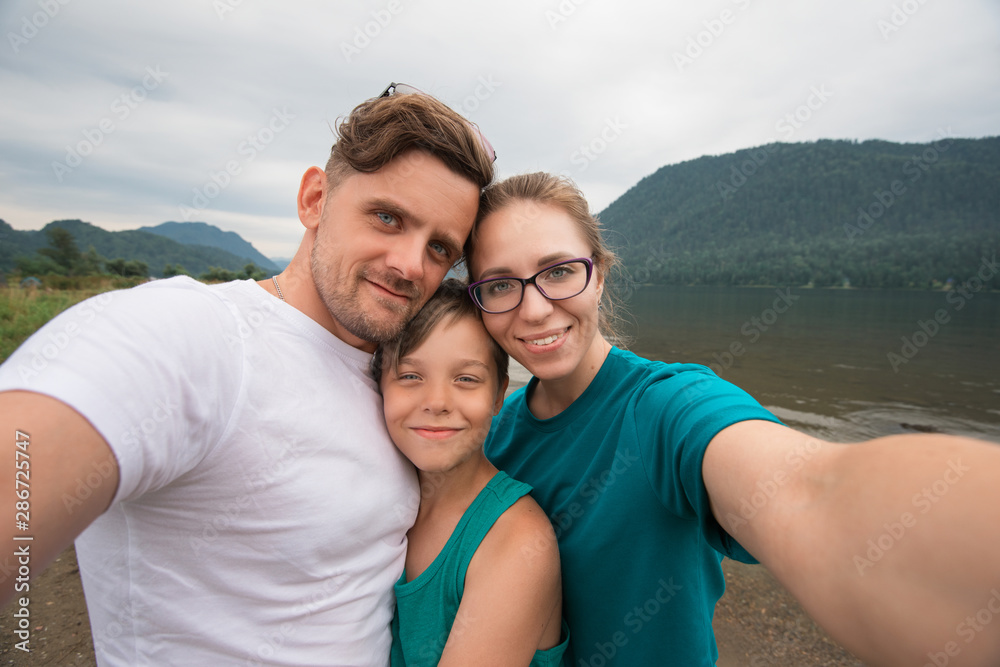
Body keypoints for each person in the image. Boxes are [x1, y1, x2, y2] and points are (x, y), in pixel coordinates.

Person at [0, 83, 494, 665]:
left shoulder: (393, 377)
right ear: (315, 199)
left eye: (439, 248)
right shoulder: (193, 335)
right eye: (386, 217)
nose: (411, 264)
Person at [463, 172, 1000, 667]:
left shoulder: (666, 409)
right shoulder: (493, 434)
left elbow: (812, 492)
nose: (534, 309)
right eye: (501, 284)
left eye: (559, 272)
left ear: (599, 275)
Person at [372, 278, 568, 666]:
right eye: (410, 376)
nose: (438, 402)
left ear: (499, 396)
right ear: (379, 387)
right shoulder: (379, 499)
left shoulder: (515, 541)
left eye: (466, 379)